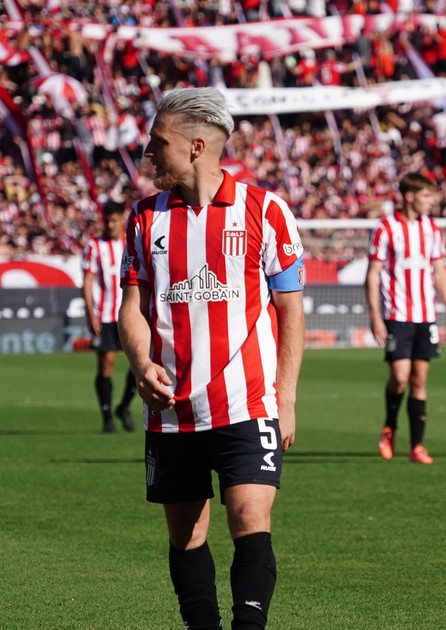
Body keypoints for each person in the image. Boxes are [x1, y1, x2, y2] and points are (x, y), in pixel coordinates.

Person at [118, 87, 305, 630]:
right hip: (172, 410)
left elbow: (290, 310)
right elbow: (131, 307)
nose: (148, 153)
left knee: (250, 520)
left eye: (158, 142)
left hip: (247, 404)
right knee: (187, 536)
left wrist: (285, 399)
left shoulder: (265, 210)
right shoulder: (143, 218)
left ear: (196, 146)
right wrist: (140, 362)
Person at [366, 172, 446, 464]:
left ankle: (417, 446)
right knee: (400, 378)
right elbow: (373, 274)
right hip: (397, 314)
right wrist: (375, 315)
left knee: (419, 380)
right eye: (426, 196)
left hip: (426, 315)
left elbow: (439, 272)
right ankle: (389, 427)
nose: (431, 202)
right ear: (409, 197)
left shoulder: (432, 229)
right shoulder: (385, 228)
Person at [82, 201, 136, 433]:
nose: (111, 225)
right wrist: (90, 312)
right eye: (107, 221)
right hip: (104, 315)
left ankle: (123, 407)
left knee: (140, 361)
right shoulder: (94, 245)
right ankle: (107, 418)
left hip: (130, 313)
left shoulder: (131, 242)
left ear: (122, 219)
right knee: (106, 364)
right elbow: (87, 280)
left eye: (115, 220)